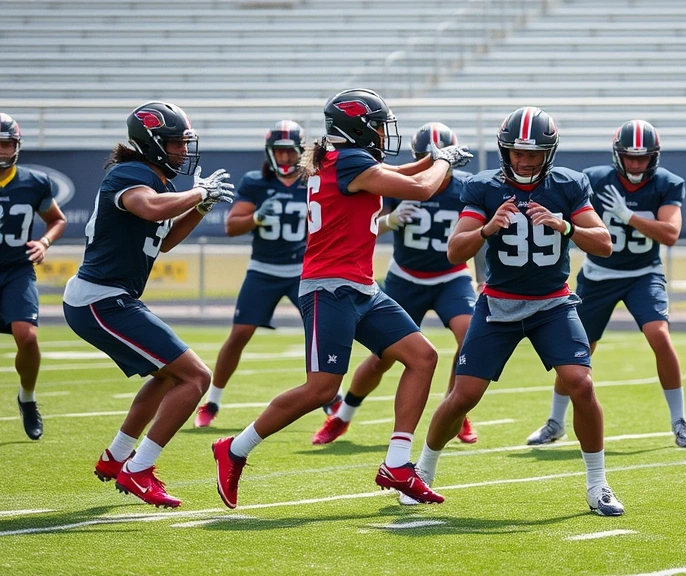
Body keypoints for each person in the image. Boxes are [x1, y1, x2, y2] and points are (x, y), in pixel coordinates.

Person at [211, 89, 474, 509]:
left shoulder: (341, 159)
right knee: (320, 389)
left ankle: (397, 463)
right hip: (329, 287)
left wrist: (432, 159)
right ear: (357, 127)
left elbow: (397, 172)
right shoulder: (350, 160)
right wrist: (441, 161)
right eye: (377, 126)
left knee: (422, 357)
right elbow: (420, 189)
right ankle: (235, 448)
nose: (382, 133)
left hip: (361, 286)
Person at [411, 106, 626, 516]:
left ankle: (598, 484)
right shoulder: (483, 187)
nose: (525, 161)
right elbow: (455, 251)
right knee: (463, 396)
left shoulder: (567, 185)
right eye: (517, 152)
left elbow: (604, 243)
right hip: (498, 304)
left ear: (549, 153)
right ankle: (423, 470)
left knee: (580, 384)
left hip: (552, 303)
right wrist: (488, 228)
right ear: (504, 150)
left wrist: (565, 226)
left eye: (534, 154)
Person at [63, 101, 234, 507]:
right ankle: (139, 469)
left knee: (169, 376)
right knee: (196, 378)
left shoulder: (155, 179)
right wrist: (199, 192)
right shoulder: (131, 173)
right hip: (101, 299)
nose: (182, 151)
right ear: (152, 142)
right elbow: (149, 207)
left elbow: (165, 241)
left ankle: (116, 457)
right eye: (176, 143)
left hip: (110, 298)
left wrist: (201, 206)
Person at [524, 120, 686, 449]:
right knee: (577, 351)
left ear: (654, 157)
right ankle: (555, 422)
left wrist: (629, 216)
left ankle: (680, 421)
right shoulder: (594, 179)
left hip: (643, 273)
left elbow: (671, 234)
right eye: (630, 157)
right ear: (617, 155)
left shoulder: (667, 183)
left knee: (659, 335)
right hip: (598, 275)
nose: (636, 164)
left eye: (643, 158)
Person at [312, 122, 479, 446]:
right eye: (425, 157)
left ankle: (455, 410)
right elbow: (366, 224)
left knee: (469, 336)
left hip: (450, 276)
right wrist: (391, 219)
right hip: (405, 277)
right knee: (382, 357)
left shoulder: (466, 188)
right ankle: (342, 415)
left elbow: (480, 237)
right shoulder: (394, 183)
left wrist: (483, 279)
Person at [194, 121, 308, 427]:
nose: (285, 158)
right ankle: (212, 401)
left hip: (303, 271)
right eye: (279, 152)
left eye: (290, 152)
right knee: (239, 335)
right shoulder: (256, 182)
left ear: (301, 152)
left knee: (320, 334)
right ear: (270, 153)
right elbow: (232, 226)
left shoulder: (313, 182)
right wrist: (256, 217)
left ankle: (329, 398)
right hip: (263, 269)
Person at [0, 112, 68, 440]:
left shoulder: (34, 181)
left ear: (17, 146)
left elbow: (57, 219)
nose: (1, 150)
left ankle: (27, 398)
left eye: (6, 144)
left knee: (27, 337)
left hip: (17, 269)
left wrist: (44, 242)